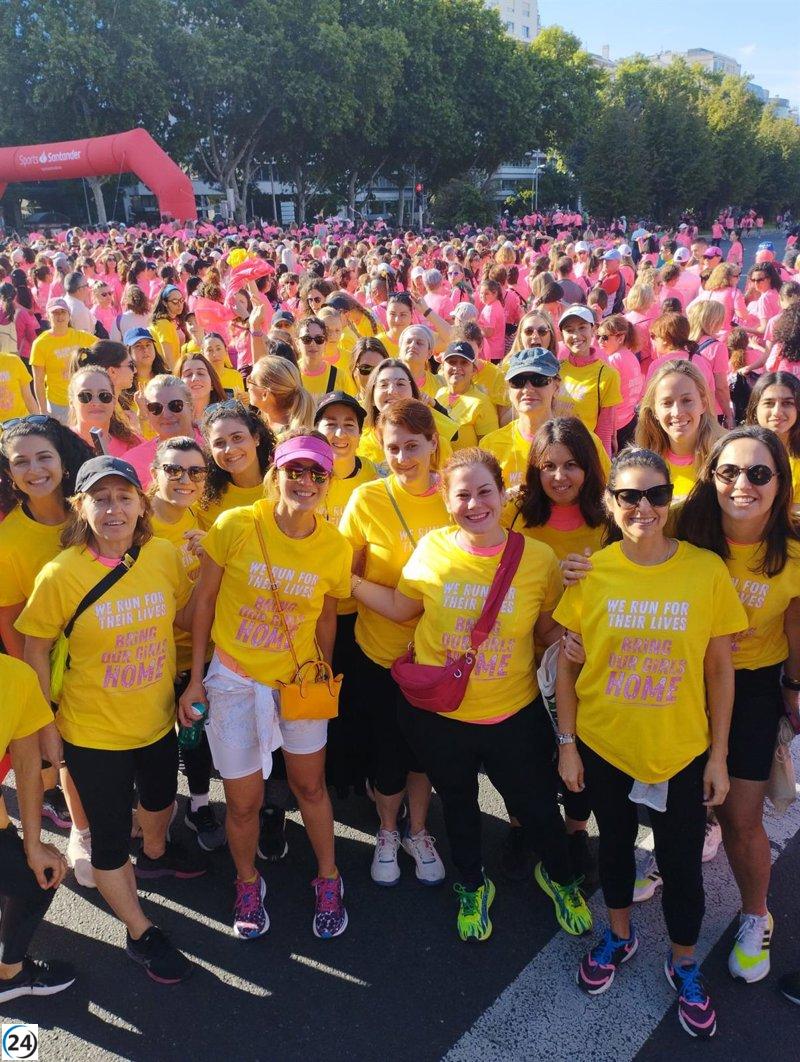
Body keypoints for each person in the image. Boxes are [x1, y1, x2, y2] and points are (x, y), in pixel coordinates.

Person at [351, 447, 592, 940]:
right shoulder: (432, 549)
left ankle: (561, 876)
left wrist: (579, 625)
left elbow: (546, 632)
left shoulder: (538, 558)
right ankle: (471, 883)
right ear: (446, 499)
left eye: (486, 491)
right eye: (463, 494)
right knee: (459, 805)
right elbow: (401, 607)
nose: (475, 504)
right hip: (440, 715)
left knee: (538, 807)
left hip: (513, 713)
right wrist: (345, 579)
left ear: (503, 494)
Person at [554, 447, 746, 1039]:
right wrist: (567, 743)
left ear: (672, 500)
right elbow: (566, 666)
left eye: (656, 495)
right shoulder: (593, 572)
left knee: (683, 865)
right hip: (607, 743)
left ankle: (685, 962)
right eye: (629, 496)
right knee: (613, 850)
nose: (643, 507)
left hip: (681, 747)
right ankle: (618, 936)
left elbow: (720, 669)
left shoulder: (705, 571)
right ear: (611, 503)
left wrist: (718, 756)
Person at [17, 455, 202, 984]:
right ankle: (141, 931)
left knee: (162, 802)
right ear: (82, 507)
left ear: (142, 503)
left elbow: (184, 616)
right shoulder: (62, 574)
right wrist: (46, 722)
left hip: (157, 720)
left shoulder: (163, 554)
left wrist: (210, 567)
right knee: (109, 838)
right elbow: (36, 646)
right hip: (93, 734)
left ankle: (158, 849)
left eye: (124, 497)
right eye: (100, 498)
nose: (114, 508)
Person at [178, 432, 352, 940]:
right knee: (242, 802)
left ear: (328, 483)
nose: (305, 482)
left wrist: (321, 673)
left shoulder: (334, 547)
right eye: (295, 470)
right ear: (275, 472)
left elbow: (326, 619)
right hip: (233, 679)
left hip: (297, 682)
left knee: (310, 786)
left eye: (317, 474)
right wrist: (195, 682)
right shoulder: (236, 524)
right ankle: (247, 881)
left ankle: (328, 876)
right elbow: (204, 602)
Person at [678, 427, 800, 985]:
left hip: (750, 685)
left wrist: (794, 689)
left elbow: (796, 625)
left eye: (759, 473)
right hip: (680, 677)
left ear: (781, 483)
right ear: (712, 476)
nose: (742, 485)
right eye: (728, 472)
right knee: (675, 795)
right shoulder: (684, 524)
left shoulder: (794, 550)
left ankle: (756, 916)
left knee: (740, 816)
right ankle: (667, 855)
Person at [340, 399, 447, 886]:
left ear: (433, 445)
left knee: (423, 753)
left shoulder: (456, 497)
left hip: (437, 652)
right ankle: (386, 829)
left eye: (412, 446)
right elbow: (345, 571)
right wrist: (389, 601)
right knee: (386, 751)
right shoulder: (367, 499)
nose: (403, 457)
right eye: (393, 447)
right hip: (380, 651)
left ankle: (418, 830)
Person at [148, 436, 225, 852]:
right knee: (158, 744)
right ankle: (151, 816)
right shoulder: (139, 527)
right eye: (173, 470)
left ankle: (199, 804)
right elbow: (179, 609)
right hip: (154, 657)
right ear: (155, 473)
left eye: (195, 471)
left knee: (195, 733)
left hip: (199, 651)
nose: (185, 479)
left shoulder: (199, 516)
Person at [312, 392, 379, 796]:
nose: (339, 433)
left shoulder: (373, 475)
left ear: (361, 431)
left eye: (348, 424)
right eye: (330, 423)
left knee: (357, 695)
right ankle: (327, 777)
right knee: (318, 692)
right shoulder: (305, 472)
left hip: (360, 606)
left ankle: (361, 775)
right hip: (312, 606)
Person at [0, 655, 74, 1005]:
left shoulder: (16, 679)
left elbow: (29, 766)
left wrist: (32, 845)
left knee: (39, 871)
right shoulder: (14, 677)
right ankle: (9, 975)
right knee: (34, 878)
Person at [482, 347, 610, 489]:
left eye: (539, 379)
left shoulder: (586, 441)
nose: (527, 389)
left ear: (556, 385)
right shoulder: (490, 446)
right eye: (518, 381)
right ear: (509, 389)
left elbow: (608, 493)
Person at [635, 360, 722, 505]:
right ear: (655, 411)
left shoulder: (724, 457)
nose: (677, 412)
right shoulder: (643, 463)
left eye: (687, 400)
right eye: (667, 403)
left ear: (703, 404)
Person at [198, 400, 274, 528]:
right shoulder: (205, 501)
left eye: (237, 438)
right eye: (219, 443)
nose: (229, 449)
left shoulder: (283, 486)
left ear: (256, 438)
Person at [557, 306, 622, 454]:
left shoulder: (607, 375)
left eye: (582, 327)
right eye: (569, 329)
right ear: (562, 334)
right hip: (555, 450)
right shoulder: (557, 369)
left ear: (593, 330)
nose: (576, 335)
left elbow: (604, 432)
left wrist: (604, 468)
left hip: (583, 453)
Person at [125, 375, 199, 489]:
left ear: (191, 407)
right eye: (155, 408)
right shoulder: (132, 463)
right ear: (147, 413)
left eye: (175, 405)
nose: (166, 414)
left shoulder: (216, 445)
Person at [29, 299, 96, 422]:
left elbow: (103, 347)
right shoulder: (40, 344)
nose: (60, 316)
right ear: (48, 316)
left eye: (63, 312)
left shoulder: (79, 336)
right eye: (55, 313)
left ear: (69, 315)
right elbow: (38, 382)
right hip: (57, 404)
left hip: (82, 400)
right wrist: (43, 410)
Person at [745, 371, 800, 506]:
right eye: (769, 403)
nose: (777, 412)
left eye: (787, 403)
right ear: (755, 409)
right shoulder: (740, 451)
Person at [435, 341, 499, 448]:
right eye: (452, 362)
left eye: (464, 363)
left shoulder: (482, 403)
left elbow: (489, 448)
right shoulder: (440, 393)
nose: (457, 367)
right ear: (442, 367)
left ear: (473, 370)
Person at [67, 366, 142, 457]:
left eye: (104, 395)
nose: (96, 403)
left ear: (114, 401)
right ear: (72, 402)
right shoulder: (58, 444)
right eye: (86, 395)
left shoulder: (134, 444)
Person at [594, 315, 643, 449]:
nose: (599, 341)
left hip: (615, 427)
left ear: (620, 338)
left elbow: (605, 396)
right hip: (630, 421)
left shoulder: (613, 360)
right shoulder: (631, 356)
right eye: (598, 337)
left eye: (605, 337)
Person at [246, 355, 316, 438]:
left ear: (264, 394)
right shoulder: (267, 426)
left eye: (250, 380)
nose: (247, 385)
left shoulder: (275, 440)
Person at [297, 316, 357, 398]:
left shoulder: (339, 376)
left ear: (325, 343)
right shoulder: (290, 375)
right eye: (307, 339)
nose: (313, 343)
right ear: (297, 343)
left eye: (319, 339)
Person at [174, 351, 227, 421]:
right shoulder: (172, 421)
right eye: (188, 374)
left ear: (212, 383)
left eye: (201, 373)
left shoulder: (228, 416)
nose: (195, 378)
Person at [149, 285, 186, 368]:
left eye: (181, 300)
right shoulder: (163, 323)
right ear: (165, 303)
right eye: (175, 301)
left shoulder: (172, 321)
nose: (180, 305)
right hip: (170, 371)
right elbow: (168, 358)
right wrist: (177, 377)